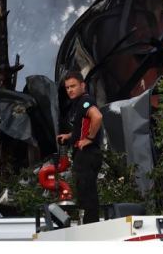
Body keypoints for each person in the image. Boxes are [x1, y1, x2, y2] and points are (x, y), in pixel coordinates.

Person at [56, 71, 103, 224]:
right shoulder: (77, 104)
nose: (70, 90)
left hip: (88, 153)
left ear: (82, 85)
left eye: (73, 86)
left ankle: (91, 225)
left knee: (86, 190)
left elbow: (97, 117)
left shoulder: (85, 101)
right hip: (82, 154)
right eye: (67, 87)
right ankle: (86, 222)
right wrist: (69, 136)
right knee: (82, 190)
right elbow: (81, 127)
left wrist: (89, 138)